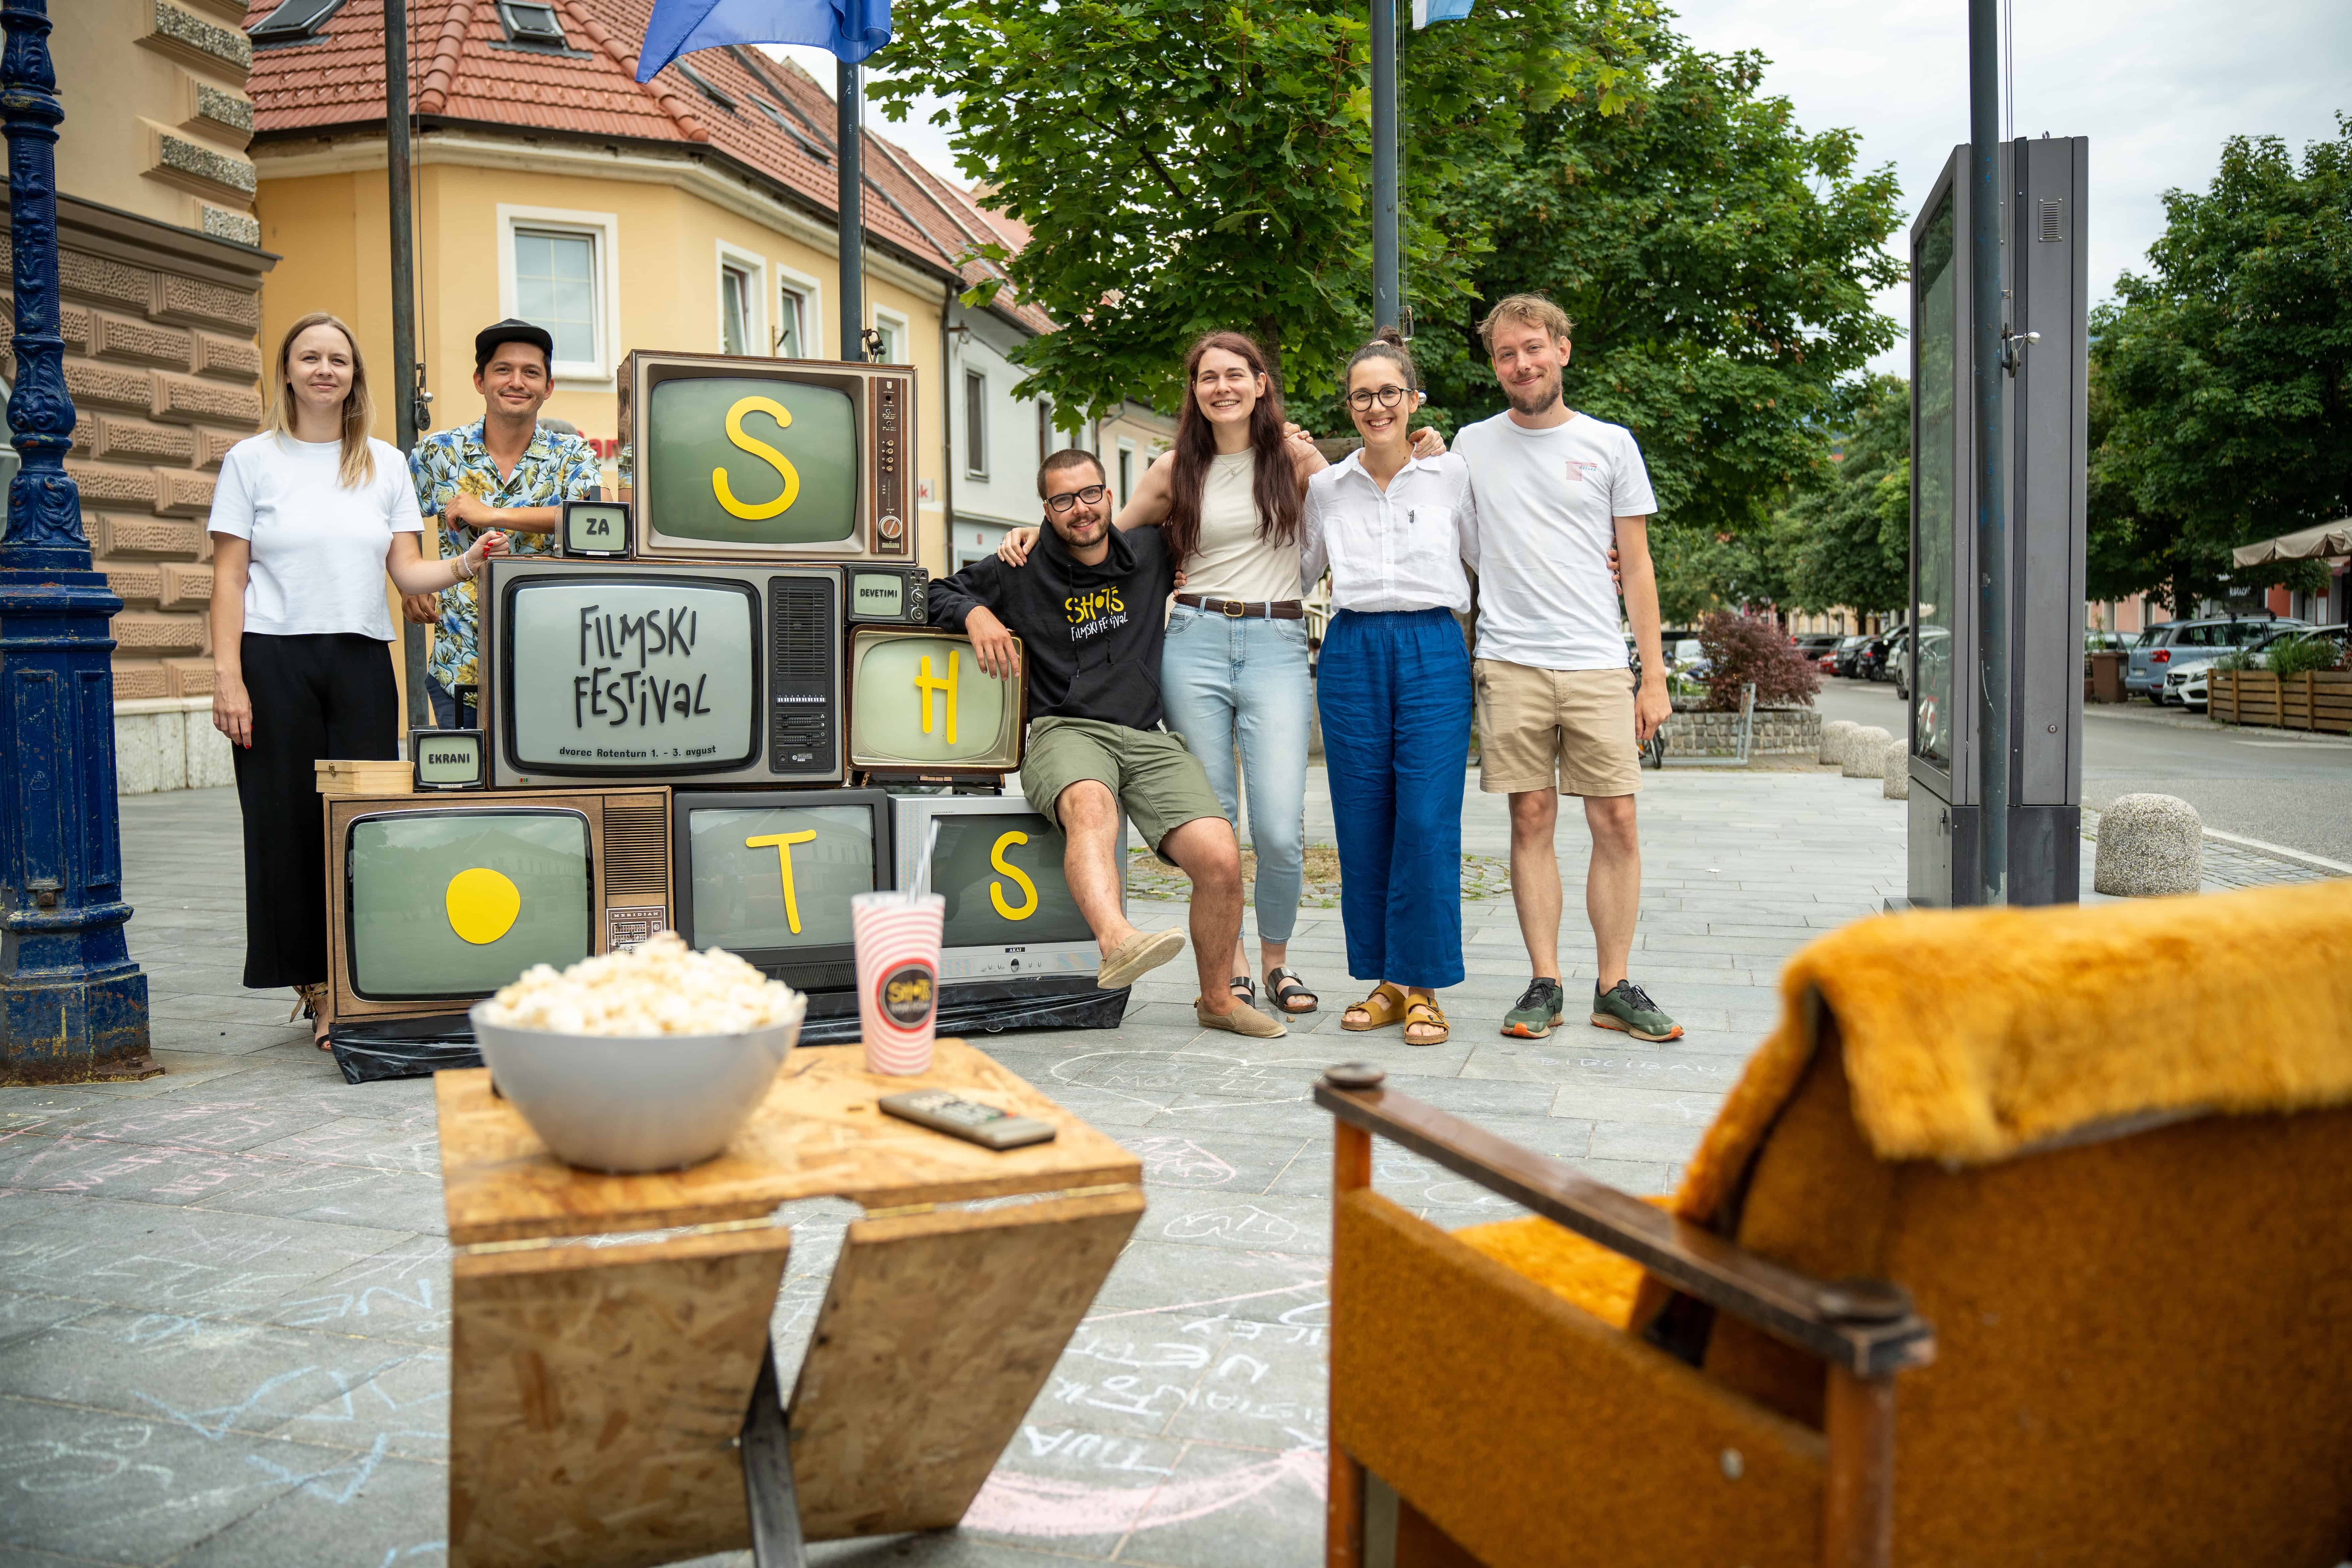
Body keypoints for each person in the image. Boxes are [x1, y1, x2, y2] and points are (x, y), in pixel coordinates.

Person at [209, 312, 509, 1043]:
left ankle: (362, 975)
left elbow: (406, 570)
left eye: (337, 359)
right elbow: (227, 578)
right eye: (309, 357)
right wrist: (227, 677)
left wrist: (467, 563)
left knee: (365, 828)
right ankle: (316, 988)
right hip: (272, 658)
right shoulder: (251, 460)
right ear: (286, 371)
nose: (323, 370)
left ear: (354, 376)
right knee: (282, 825)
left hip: (361, 662)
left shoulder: (384, 463)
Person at [928, 448, 1285, 1039]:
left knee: (1220, 857)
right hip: (1063, 729)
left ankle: (1218, 1000)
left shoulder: (1149, 549)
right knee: (1091, 806)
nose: (1080, 509)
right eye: (1063, 500)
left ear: (1110, 495)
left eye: (1090, 493)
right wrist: (975, 613)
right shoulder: (1018, 565)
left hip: (1145, 735)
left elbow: (1223, 512)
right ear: (1046, 509)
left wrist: (1280, 437)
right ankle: (1117, 941)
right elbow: (937, 590)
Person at [1453, 293, 1681, 1042]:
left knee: (1616, 818)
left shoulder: (1611, 444)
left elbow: (1638, 567)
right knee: (1532, 816)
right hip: (1510, 658)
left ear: (1562, 350)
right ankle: (1544, 980)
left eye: (1533, 348)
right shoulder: (1468, 445)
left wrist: (1653, 676)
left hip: (1594, 660)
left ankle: (1613, 985)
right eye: (1507, 353)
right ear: (1496, 366)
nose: (1522, 363)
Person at [1301, 329, 1478, 1047]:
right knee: (1364, 816)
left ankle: (1426, 984)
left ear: (1414, 400)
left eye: (1389, 393)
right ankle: (1384, 981)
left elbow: (1488, 560)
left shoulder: (1453, 476)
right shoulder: (1325, 487)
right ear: (1351, 406)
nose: (1376, 406)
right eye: (1362, 395)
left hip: (1434, 646)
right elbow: (1296, 567)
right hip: (1352, 651)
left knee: (1428, 819)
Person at [405, 319, 603, 728]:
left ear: (548, 388)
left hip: (557, 667)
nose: (517, 382)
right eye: (503, 370)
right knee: (469, 791)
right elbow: (393, 521)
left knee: (550, 791)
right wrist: (409, 584)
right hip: (460, 665)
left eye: (531, 372)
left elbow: (592, 521)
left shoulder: (572, 454)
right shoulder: (437, 453)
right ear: (480, 381)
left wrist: (491, 513)